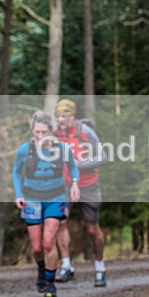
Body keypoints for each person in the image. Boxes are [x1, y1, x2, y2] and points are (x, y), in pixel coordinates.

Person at [12, 111, 80, 297]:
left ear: (51, 131)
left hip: (55, 197)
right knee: (37, 247)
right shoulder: (24, 150)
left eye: (44, 132)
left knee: (49, 241)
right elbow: (16, 173)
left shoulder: (63, 149)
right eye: (37, 132)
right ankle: (42, 271)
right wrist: (18, 194)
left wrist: (74, 183)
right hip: (32, 198)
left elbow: (73, 168)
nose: (40, 136)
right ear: (32, 132)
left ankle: (50, 284)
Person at [53, 99, 109, 287]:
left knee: (92, 229)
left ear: (73, 116)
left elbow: (103, 157)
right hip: (65, 185)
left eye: (65, 116)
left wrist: (79, 164)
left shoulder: (85, 131)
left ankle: (100, 267)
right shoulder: (55, 133)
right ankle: (67, 265)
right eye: (59, 116)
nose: (61, 120)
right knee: (60, 221)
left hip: (88, 184)